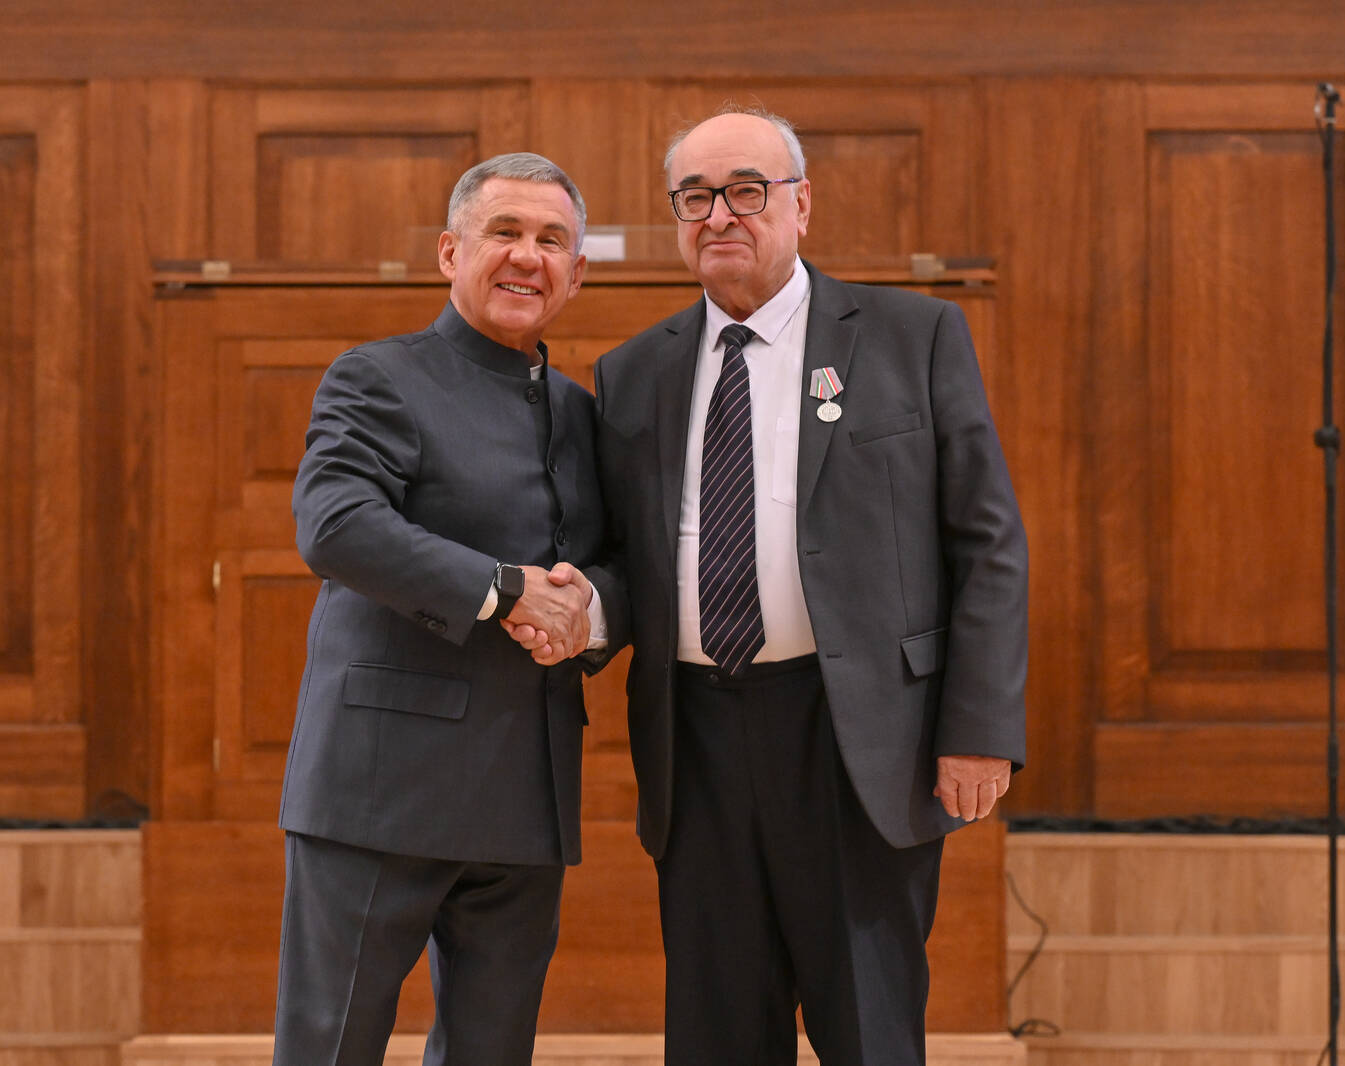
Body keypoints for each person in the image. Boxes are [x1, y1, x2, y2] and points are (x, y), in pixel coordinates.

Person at [590, 108, 1029, 1064]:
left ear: (801, 206)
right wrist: (577, 609)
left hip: (860, 738)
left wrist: (980, 726)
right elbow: (625, 557)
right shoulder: (632, 373)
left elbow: (988, 541)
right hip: (697, 744)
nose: (720, 215)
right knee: (716, 1036)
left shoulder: (913, 336)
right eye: (695, 197)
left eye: (747, 191)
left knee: (868, 1033)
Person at [272, 152, 622, 1066]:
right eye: (504, 232)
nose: (527, 256)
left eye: (552, 240)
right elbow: (337, 525)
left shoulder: (587, 415)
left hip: (527, 795)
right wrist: (504, 589)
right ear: (449, 252)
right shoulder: (378, 376)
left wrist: (590, 612)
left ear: (578, 272)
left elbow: (621, 565)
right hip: (380, 789)